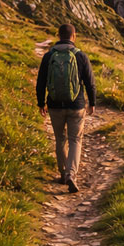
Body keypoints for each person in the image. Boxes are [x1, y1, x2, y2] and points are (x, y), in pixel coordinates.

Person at [36, 24, 96, 193]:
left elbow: (41, 83)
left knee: (60, 139)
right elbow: (90, 82)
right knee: (75, 140)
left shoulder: (48, 57)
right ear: (73, 36)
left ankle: (63, 173)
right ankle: (71, 174)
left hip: (54, 105)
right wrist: (92, 102)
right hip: (76, 106)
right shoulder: (80, 56)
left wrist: (41, 103)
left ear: (58, 35)